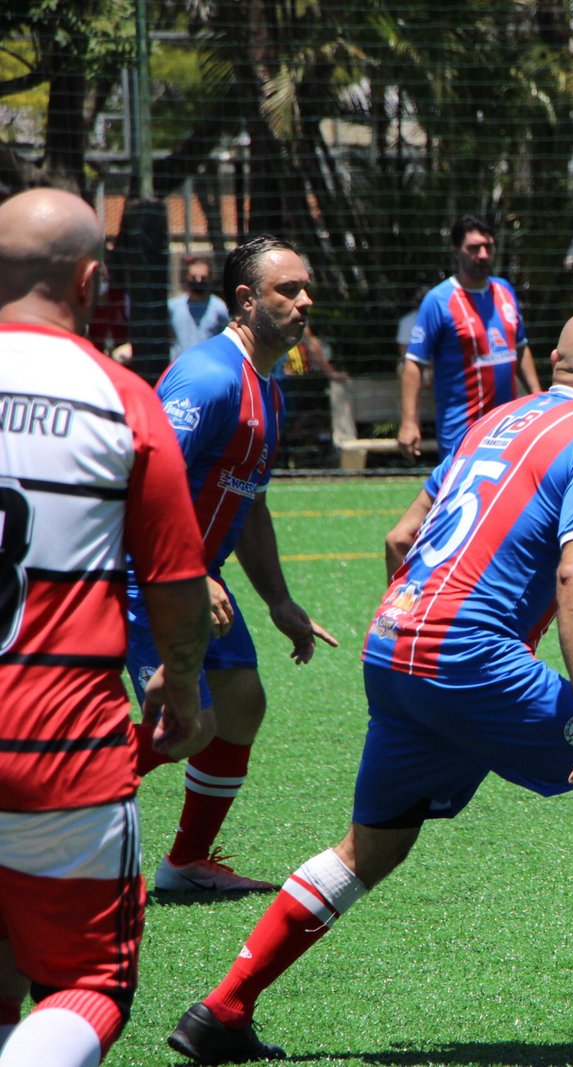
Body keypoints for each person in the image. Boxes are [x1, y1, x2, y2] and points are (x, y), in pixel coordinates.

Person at [165, 307, 573, 1064]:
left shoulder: (499, 418)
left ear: (555, 361)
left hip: (393, 640)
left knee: (370, 848)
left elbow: (400, 536)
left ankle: (220, 1010)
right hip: (467, 654)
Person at [0, 188, 212, 1067]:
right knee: (87, 984)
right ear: (91, 282)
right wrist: (181, 683)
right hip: (60, 746)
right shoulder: (118, 397)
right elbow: (174, 582)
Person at [127, 235, 340, 893]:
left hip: (195, 581)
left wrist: (279, 599)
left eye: (307, 289)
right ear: (245, 300)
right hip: (149, 576)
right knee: (194, 724)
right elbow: (145, 481)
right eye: (288, 291)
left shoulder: (268, 388)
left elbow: (250, 501)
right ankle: (43, 794)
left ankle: (187, 861)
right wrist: (194, 571)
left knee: (243, 701)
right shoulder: (210, 377)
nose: (305, 302)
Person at [398, 215, 540, 461]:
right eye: (474, 248)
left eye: (488, 247)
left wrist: (540, 399)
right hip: (461, 430)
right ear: (456, 251)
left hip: (507, 427)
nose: (483, 254)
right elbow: (414, 363)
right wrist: (409, 422)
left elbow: (520, 348)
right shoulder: (439, 300)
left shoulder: (505, 291)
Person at [169, 253, 230, 362]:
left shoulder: (220, 309)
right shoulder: (173, 307)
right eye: (194, 277)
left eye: (203, 277)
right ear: (187, 278)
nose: (198, 281)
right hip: (179, 369)